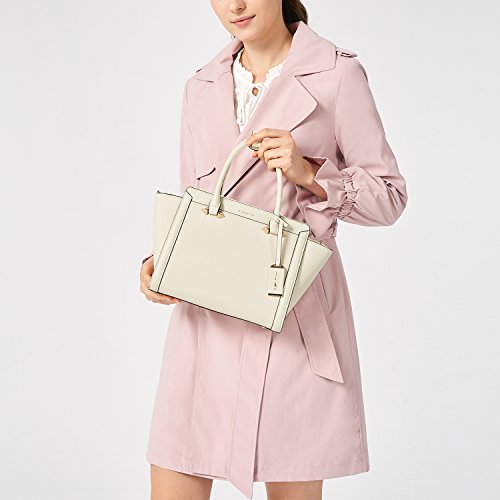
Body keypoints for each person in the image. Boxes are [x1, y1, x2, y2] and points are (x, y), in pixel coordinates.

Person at [139, 1, 408, 499]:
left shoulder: (337, 75)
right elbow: (197, 204)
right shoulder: (201, 86)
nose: (235, 6)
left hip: (292, 319)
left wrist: (311, 173)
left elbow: (389, 198)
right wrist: (163, 263)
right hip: (205, 326)